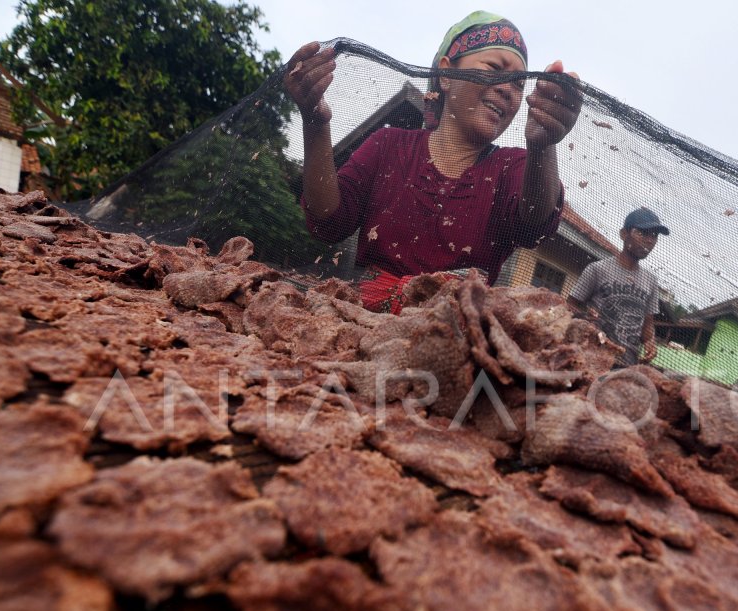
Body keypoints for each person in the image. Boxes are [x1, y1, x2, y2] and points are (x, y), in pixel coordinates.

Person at [283, 12, 582, 312]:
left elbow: (535, 220)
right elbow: (328, 221)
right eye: (494, 69)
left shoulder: (511, 167)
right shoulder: (389, 146)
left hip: (458, 337)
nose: (508, 89)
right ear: (447, 75)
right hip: (363, 323)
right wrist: (315, 123)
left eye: (519, 84)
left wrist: (543, 145)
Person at [567, 207, 670, 366]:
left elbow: (648, 325)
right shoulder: (598, 269)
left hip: (626, 365)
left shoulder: (651, 281)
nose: (649, 240)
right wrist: (585, 319)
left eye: (654, 235)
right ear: (624, 234)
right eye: (642, 233)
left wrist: (650, 342)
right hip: (589, 357)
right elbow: (570, 305)